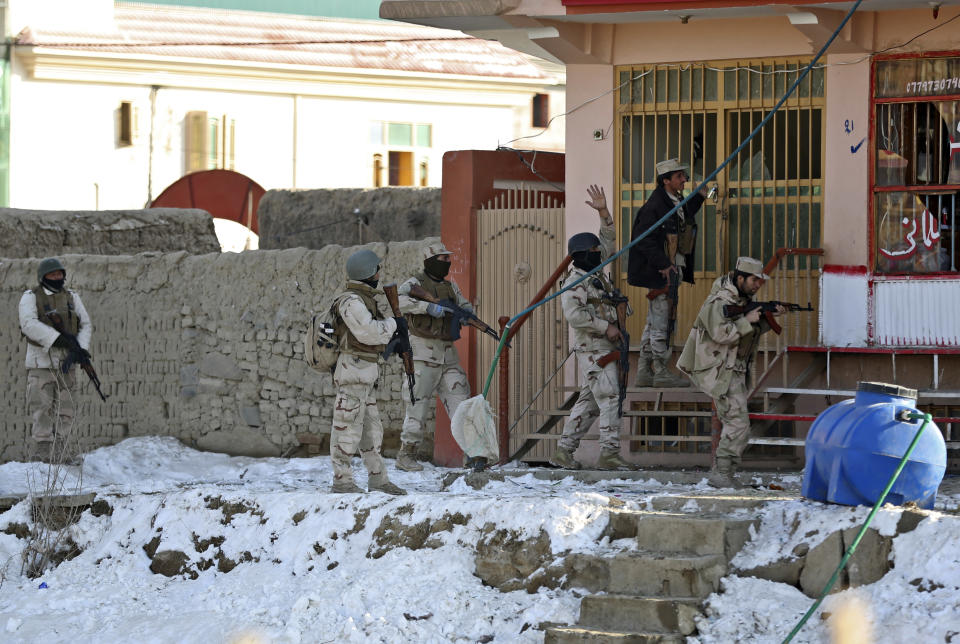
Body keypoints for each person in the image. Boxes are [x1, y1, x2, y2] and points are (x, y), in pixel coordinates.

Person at [549, 185, 638, 471]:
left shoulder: (596, 272)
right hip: (593, 347)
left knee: (590, 402)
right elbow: (574, 315)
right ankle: (609, 453)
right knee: (610, 396)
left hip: (605, 346)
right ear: (581, 255)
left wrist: (603, 213)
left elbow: (609, 242)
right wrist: (605, 327)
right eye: (594, 251)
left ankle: (563, 452)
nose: (600, 252)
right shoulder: (576, 281)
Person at [677, 257, 785, 488]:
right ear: (740, 278)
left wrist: (767, 318)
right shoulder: (719, 302)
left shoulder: (741, 300)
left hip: (733, 370)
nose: (758, 285)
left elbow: (747, 333)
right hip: (720, 370)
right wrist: (746, 319)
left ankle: (724, 472)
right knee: (738, 424)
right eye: (754, 280)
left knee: (736, 422)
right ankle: (722, 474)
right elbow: (721, 334)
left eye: (760, 280)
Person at [329, 248, 406, 495]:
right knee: (346, 428)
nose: (379, 274)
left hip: (365, 374)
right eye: (376, 270)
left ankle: (378, 479)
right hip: (352, 373)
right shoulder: (350, 301)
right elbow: (368, 332)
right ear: (368, 272)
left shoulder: (364, 300)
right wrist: (395, 323)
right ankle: (342, 481)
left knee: (371, 432)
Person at [627, 158, 708, 388]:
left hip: (672, 268)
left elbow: (681, 217)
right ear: (666, 181)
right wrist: (663, 264)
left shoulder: (673, 200)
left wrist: (700, 197)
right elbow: (643, 240)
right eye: (680, 177)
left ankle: (644, 370)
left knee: (655, 321)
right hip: (662, 273)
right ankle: (661, 370)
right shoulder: (654, 207)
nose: (684, 180)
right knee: (663, 319)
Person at [394, 242, 472, 472]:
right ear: (430, 261)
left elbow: (465, 306)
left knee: (462, 405)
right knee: (417, 407)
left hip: (448, 357)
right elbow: (397, 301)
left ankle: (473, 455)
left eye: (448, 259)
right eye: (442, 259)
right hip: (422, 357)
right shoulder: (415, 283)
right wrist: (426, 308)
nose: (447, 263)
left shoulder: (450, 287)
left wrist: (466, 316)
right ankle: (406, 456)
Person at [18, 257, 93, 463]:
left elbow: (85, 323)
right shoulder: (31, 297)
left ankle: (62, 449)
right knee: (41, 405)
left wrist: (80, 348)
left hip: (65, 362)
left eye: (59, 274)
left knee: (66, 406)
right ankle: (43, 449)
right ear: (43, 277)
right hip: (41, 363)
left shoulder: (71, 297)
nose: (57, 278)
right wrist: (56, 339)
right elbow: (28, 324)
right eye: (52, 275)